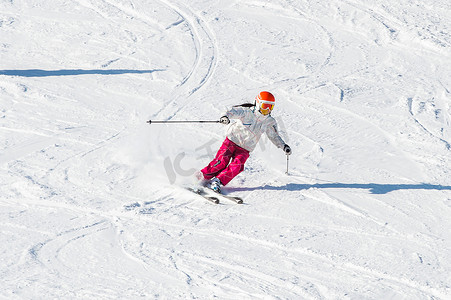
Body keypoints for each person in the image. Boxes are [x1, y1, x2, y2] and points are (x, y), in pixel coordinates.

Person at [197, 91, 291, 193]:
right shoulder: (246, 112)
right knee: (221, 162)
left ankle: (218, 181)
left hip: (245, 149)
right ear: (258, 103)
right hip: (231, 141)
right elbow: (231, 111)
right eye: (265, 106)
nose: (267, 110)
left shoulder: (269, 121)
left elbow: (274, 136)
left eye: (270, 107)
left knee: (237, 166)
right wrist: (225, 117)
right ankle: (200, 177)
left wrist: (283, 146)